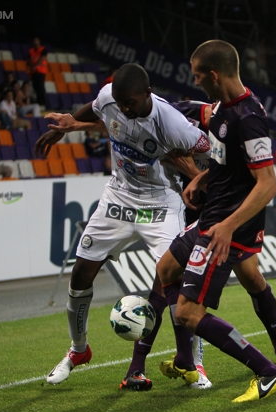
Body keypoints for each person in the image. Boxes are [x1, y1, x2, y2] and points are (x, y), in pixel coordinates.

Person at [34, 63, 212, 389]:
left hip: (160, 204)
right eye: (119, 102)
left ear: (147, 94)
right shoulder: (112, 98)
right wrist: (66, 126)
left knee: (175, 280)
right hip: (117, 198)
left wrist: (200, 177)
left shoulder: (171, 122)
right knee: (81, 274)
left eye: (129, 103)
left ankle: (195, 362)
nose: (124, 109)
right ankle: (78, 351)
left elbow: (206, 150)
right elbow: (97, 110)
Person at [154, 39, 276, 403]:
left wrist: (229, 226)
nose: (196, 82)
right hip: (213, 218)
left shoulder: (248, 119)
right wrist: (202, 178)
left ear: (214, 75)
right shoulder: (219, 110)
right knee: (166, 269)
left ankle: (269, 372)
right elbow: (224, 161)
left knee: (187, 312)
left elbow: (268, 184)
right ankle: (186, 360)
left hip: (224, 227)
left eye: (199, 76)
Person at [28, 37, 47, 106]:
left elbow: (42, 58)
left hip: (41, 71)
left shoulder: (43, 49)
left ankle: (43, 102)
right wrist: (31, 67)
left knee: (40, 87)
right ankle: (38, 101)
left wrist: (35, 66)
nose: (35, 42)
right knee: (35, 86)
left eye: (36, 40)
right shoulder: (31, 50)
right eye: (34, 40)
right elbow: (29, 59)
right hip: (33, 72)